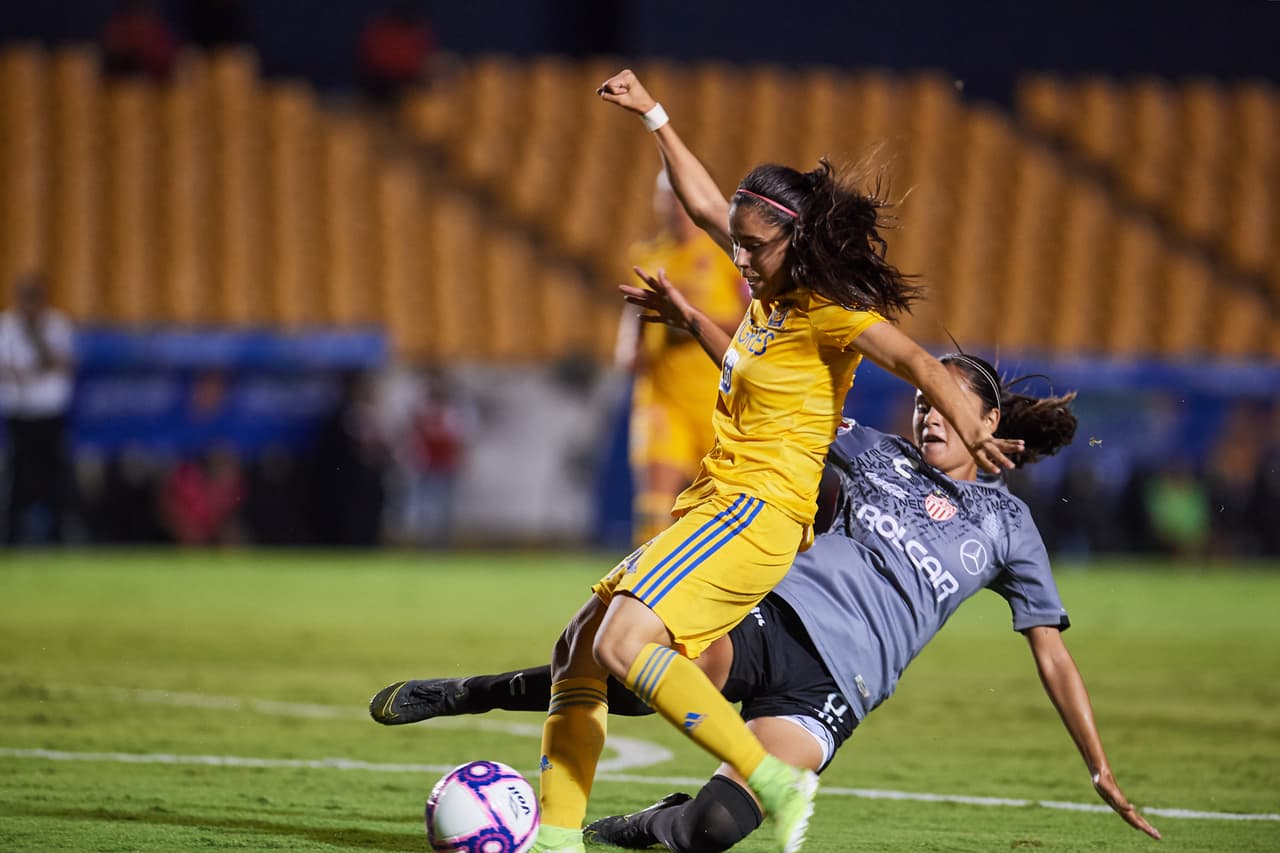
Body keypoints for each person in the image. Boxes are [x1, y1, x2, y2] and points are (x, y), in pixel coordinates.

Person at [500, 68, 1025, 853]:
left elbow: (918, 362)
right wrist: (655, 117)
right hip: (719, 500)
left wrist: (971, 426)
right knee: (579, 646)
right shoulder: (767, 297)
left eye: (753, 246)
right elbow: (708, 203)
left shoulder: (827, 312)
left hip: (759, 510)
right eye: (736, 244)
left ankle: (771, 778)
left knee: (621, 644)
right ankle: (559, 839)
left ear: (794, 240)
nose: (739, 257)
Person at [370, 354, 1162, 851]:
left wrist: (1099, 766)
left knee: (714, 828)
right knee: (631, 669)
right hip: (772, 618)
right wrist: (702, 328)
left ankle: (640, 826)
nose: (928, 412)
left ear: (988, 423)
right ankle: (465, 693)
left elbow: (1052, 652)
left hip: (836, 690)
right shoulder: (873, 450)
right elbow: (778, 390)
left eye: (947, 404)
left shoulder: (1009, 525)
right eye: (923, 398)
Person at [617, 173, 749, 544]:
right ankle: (642, 592)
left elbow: (752, 321)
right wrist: (630, 345)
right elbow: (635, 316)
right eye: (666, 198)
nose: (674, 206)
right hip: (662, 398)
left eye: (680, 198)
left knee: (723, 508)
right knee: (656, 505)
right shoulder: (649, 256)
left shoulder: (728, 256)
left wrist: (691, 320)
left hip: (718, 399)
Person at [0, 275, 76, 544]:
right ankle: (11, 537)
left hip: (50, 413)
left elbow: (62, 364)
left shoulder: (56, 325)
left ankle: (57, 536)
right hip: (20, 414)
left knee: (55, 477)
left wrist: (35, 335)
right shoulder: (7, 326)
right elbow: (7, 372)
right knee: (17, 478)